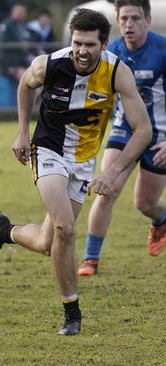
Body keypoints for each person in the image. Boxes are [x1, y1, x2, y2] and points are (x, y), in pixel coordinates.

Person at [0, 8, 152, 336]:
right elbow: (25, 86)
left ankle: (5, 232)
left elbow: (143, 130)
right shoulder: (50, 64)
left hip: (84, 159)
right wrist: (21, 132)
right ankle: (72, 311)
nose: (82, 51)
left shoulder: (117, 72)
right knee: (65, 228)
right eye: (76, 43)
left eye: (89, 45)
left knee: (48, 242)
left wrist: (112, 172)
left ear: (105, 44)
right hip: (48, 149)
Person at [79, 0, 166, 276]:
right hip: (124, 131)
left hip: (160, 135)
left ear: (147, 20)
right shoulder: (111, 52)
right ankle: (90, 260)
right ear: (117, 21)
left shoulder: (163, 50)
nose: (129, 25)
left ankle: (161, 220)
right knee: (107, 188)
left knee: (145, 204)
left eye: (135, 18)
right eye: (124, 18)